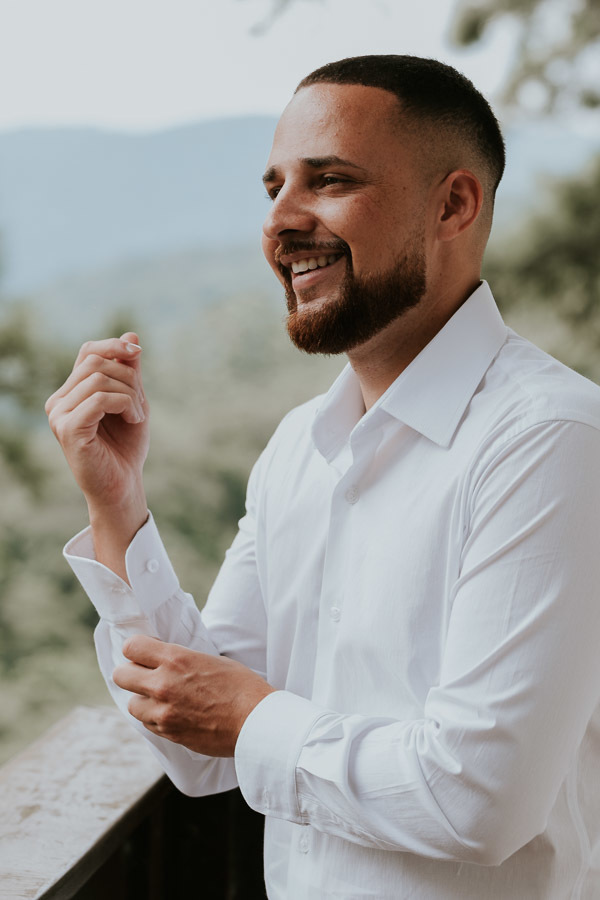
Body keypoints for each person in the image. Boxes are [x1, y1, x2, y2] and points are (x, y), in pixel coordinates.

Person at [45, 55, 600, 899]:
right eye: (272, 187)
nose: (281, 220)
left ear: (454, 204)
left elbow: (482, 801)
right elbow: (202, 751)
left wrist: (252, 716)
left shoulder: (550, 441)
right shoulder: (298, 447)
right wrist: (117, 510)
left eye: (329, 180)